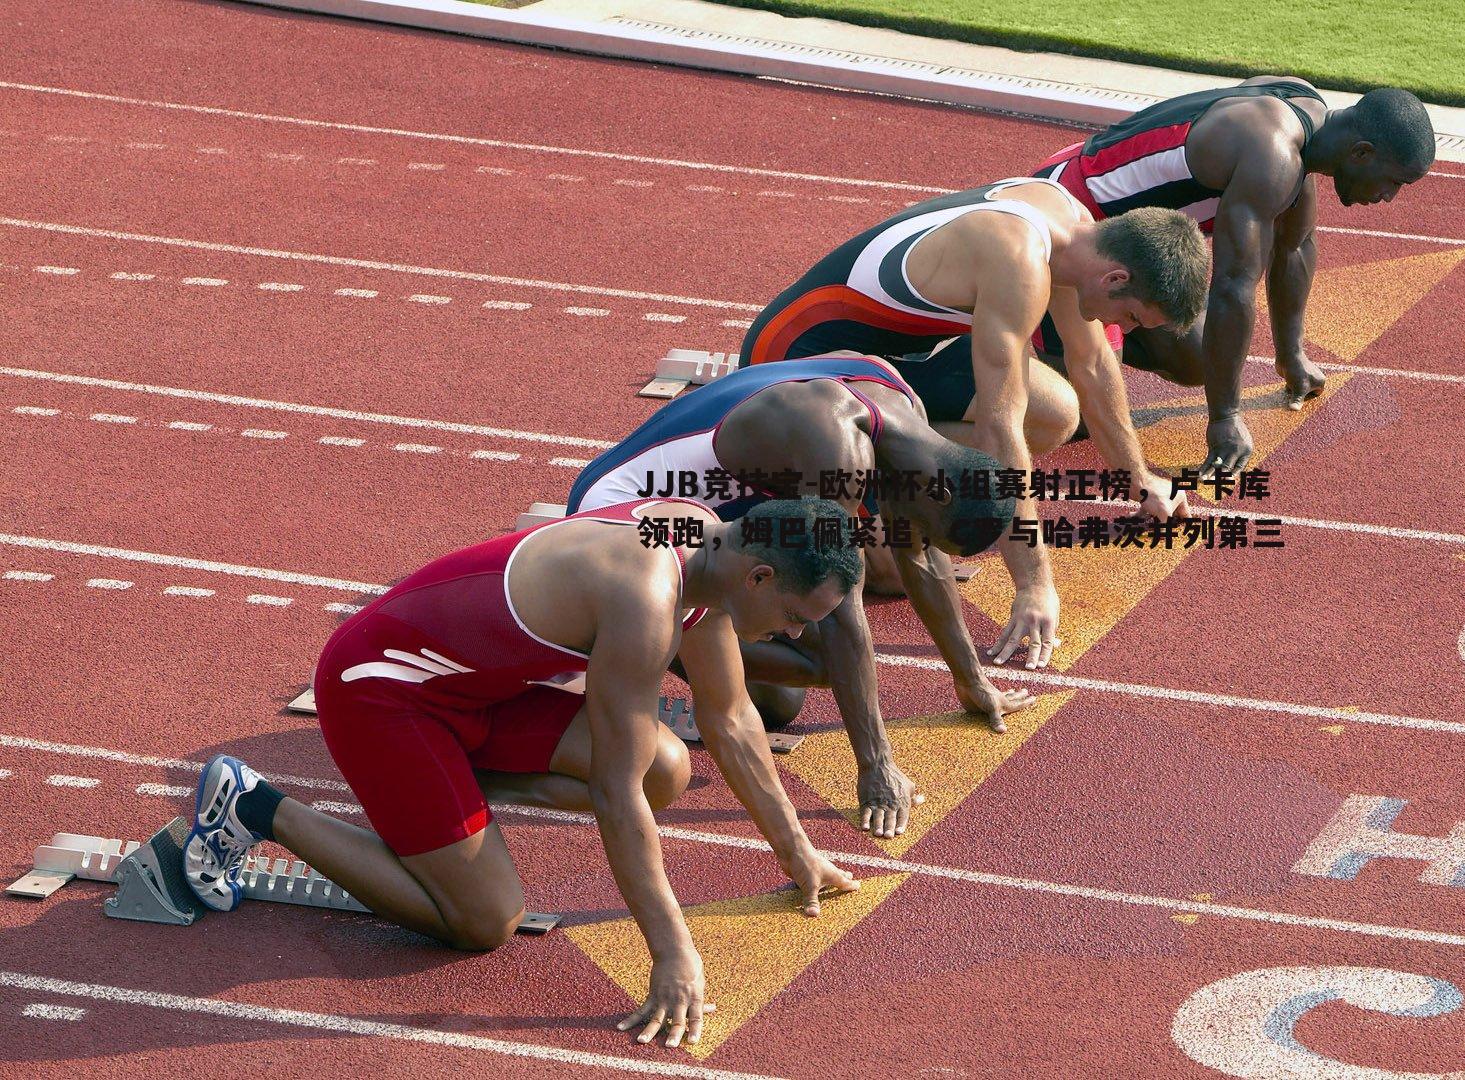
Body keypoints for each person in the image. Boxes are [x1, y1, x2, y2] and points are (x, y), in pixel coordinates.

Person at [183, 497, 864, 1050]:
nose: (797, 636)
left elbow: (734, 718)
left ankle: (434, 807)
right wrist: (672, 953)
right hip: (382, 691)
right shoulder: (646, 597)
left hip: (474, 695)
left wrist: (798, 853)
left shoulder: (704, 541)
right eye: (799, 619)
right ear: (760, 578)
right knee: (485, 919)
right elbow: (613, 793)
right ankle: (255, 806)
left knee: (667, 767)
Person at [739, 176, 1209, 666]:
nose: (1125, 331)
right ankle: (862, 462)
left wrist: (1137, 478)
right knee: (890, 567)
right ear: (1115, 279)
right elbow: (998, 429)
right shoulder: (1019, 260)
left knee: (1055, 413)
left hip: (889, 354)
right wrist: (1034, 584)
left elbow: (1091, 363)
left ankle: (887, 456)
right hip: (793, 359)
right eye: (1131, 317)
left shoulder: (1078, 233)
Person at [566, 351, 1034, 838]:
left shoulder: (904, 415)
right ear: (937, 494)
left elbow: (918, 557)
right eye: (929, 530)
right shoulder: (837, 457)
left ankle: (680, 642)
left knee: (787, 696)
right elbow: (839, 612)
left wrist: (972, 681)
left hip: (704, 511)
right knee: (824, 662)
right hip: (621, 518)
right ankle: (644, 642)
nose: (917, 540)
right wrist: (876, 766)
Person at [1033, 81, 1436, 474]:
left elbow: (1295, 244)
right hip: (1070, 224)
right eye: (1394, 182)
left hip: (1116, 239)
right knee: (1078, 414)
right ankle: (1010, 333)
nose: (1389, 196)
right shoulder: (1271, 155)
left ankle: (1080, 338)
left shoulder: (1306, 116)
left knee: (1197, 356)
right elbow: (1232, 286)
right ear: (1361, 152)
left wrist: (1291, 355)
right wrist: (1225, 416)